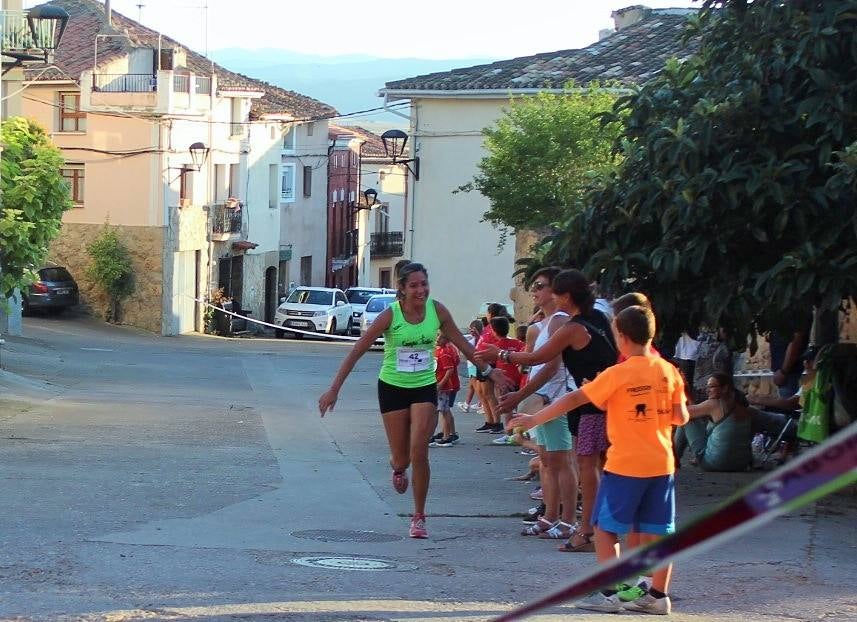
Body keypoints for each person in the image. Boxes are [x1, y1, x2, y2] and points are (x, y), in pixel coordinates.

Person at [509, 305, 689, 615]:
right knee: (659, 530)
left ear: (622, 336)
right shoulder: (669, 370)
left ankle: (610, 594)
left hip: (625, 465)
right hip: (662, 464)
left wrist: (534, 418)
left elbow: (575, 398)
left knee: (604, 529)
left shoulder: (618, 374)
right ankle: (658, 596)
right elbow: (681, 417)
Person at [318, 262, 506, 539]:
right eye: (414, 285)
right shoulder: (390, 316)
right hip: (392, 387)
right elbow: (357, 350)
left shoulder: (437, 311)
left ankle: (419, 516)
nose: (421, 290)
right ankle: (397, 466)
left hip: (424, 387)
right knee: (402, 457)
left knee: (420, 450)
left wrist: (490, 371)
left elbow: (466, 347)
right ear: (402, 290)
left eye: (424, 284)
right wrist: (334, 389)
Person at [488, 269, 617, 553]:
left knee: (586, 465)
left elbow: (540, 357)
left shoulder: (572, 327)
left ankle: (587, 531)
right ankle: (598, 527)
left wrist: (499, 354)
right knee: (595, 465)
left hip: (590, 403)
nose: (550, 297)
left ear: (566, 296)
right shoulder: (598, 319)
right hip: (599, 399)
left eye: (554, 292)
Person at [497, 267, 578, 540]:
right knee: (546, 460)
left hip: (554, 399)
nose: (535, 290)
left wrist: (522, 395)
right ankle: (550, 516)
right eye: (535, 285)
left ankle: (567, 520)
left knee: (561, 461)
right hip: (545, 401)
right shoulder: (543, 324)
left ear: (556, 291)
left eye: (541, 286)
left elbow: (552, 366)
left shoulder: (559, 321)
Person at [674, 372, 753, 472]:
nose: (708, 391)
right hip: (741, 465)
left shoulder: (715, 404)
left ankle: (673, 460)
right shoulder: (745, 406)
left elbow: (683, 413)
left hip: (714, 463)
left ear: (725, 388)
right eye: (707, 387)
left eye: (711, 387)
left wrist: (683, 391)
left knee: (686, 419)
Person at [430, 333, 460, 447]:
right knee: (443, 410)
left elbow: (449, 370)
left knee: (441, 411)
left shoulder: (445, 352)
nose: (438, 338)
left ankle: (446, 436)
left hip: (443, 387)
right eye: (437, 335)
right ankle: (448, 434)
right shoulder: (440, 351)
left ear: (447, 339)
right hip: (439, 384)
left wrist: (441, 384)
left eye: (441, 337)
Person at [457, 320, 483, 413]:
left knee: (475, 386)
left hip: (473, 365)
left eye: (471, 329)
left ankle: (482, 404)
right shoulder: (478, 339)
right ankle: (466, 404)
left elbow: (466, 353)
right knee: (471, 386)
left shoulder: (475, 341)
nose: (470, 331)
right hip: (473, 365)